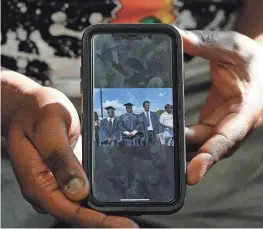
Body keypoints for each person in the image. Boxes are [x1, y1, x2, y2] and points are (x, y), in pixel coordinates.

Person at [2, 0, 263, 228]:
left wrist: (258, 53)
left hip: (207, 92)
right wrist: (11, 98)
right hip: (12, 100)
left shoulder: (149, 110)